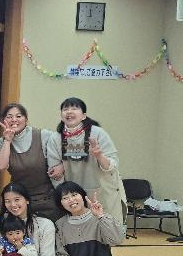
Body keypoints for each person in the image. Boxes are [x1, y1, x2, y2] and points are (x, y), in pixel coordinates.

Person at [46, 97, 127, 228]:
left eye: (74, 108)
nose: (69, 111)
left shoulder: (98, 133)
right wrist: (66, 197)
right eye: (65, 109)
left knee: (106, 230)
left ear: (84, 116)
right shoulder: (55, 138)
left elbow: (112, 166)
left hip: (102, 191)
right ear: (61, 116)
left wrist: (99, 156)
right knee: (80, 231)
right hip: (75, 196)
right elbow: (55, 173)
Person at [0, 103, 61, 221]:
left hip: (48, 199)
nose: (14, 120)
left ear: (26, 120)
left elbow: (66, 149)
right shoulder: (2, 142)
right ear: (3, 121)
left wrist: (62, 165)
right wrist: (7, 140)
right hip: (20, 202)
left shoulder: (43, 135)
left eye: (18, 116)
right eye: (9, 117)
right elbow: (1, 166)